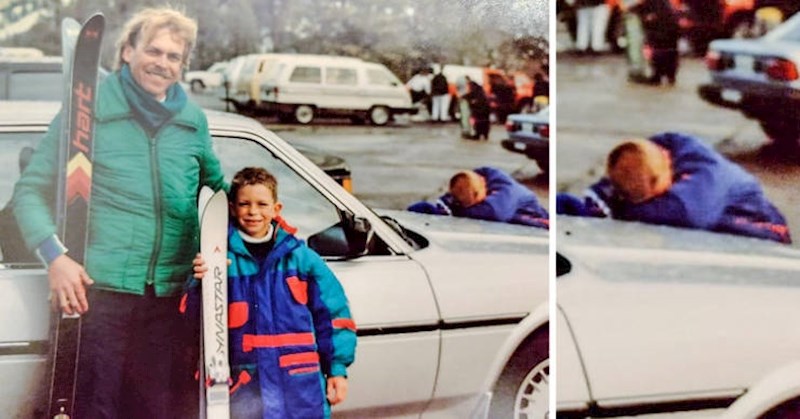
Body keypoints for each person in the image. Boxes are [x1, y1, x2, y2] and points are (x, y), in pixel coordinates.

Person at [11, 7, 226, 418]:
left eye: (173, 56)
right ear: (127, 51)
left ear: (182, 66)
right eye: (153, 51)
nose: (162, 63)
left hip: (169, 302)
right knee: (97, 410)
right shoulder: (85, 113)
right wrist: (55, 256)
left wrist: (218, 249)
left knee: (156, 411)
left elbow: (219, 196)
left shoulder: (192, 122)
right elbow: (30, 192)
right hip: (98, 299)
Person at [186, 167, 356, 419]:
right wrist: (199, 281)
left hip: (299, 386)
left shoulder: (302, 259)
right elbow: (192, 318)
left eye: (262, 204)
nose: (253, 212)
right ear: (232, 208)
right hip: (246, 386)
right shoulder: (221, 259)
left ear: (276, 209)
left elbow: (334, 315)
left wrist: (337, 369)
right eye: (244, 204)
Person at [557, 132, 792, 244]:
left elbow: (683, 214)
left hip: (763, 239)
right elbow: (613, 186)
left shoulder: (707, 173)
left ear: (665, 175)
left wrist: (619, 208)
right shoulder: (650, 150)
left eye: (650, 198)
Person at [407, 166, 549, 229]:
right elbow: (451, 198)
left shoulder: (505, 192)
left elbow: (494, 213)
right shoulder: (474, 178)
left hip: (538, 227)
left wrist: (456, 211)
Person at [631, 0, 680, 85]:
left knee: (662, 52)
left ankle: (660, 76)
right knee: (667, 52)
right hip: (666, 32)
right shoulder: (660, 4)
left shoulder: (656, 5)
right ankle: (666, 76)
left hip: (662, 32)